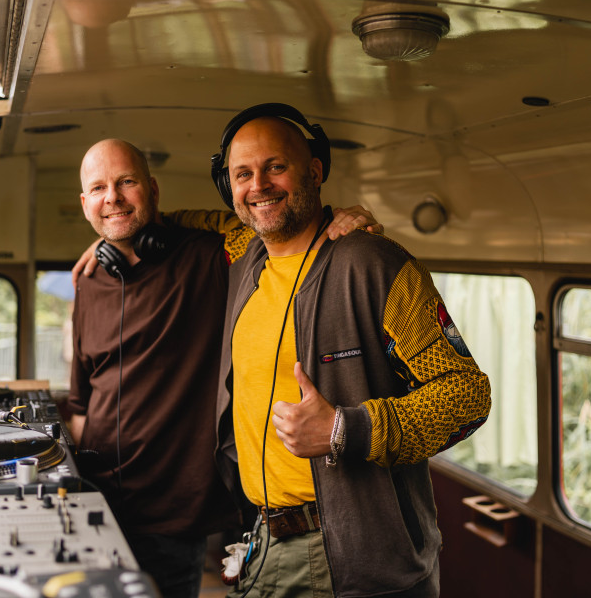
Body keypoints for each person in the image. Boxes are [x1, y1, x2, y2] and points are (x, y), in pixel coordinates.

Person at [67, 138, 381, 598]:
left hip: (171, 517)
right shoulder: (88, 278)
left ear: (152, 189)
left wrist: (343, 220)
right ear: (84, 203)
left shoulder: (214, 256)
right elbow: (79, 401)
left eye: (125, 182)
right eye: (98, 189)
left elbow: (281, 225)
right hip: (93, 505)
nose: (111, 197)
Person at [210, 105, 493, 598]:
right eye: (242, 174)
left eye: (275, 166)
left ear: (315, 172)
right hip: (263, 539)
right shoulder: (245, 256)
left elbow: (466, 396)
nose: (258, 185)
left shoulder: (372, 263)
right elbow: (189, 221)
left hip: (355, 555)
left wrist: (346, 429)